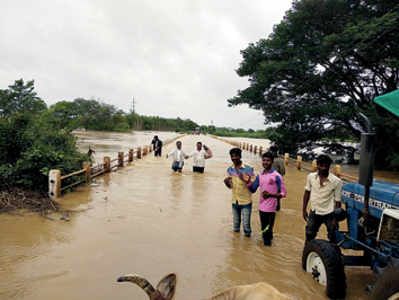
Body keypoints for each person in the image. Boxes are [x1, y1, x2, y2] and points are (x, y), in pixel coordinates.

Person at [244, 152, 286, 246]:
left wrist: (271, 195)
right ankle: (267, 252)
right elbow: (253, 189)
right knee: (264, 230)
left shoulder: (277, 176)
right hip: (261, 208)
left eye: (268, 160)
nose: (265, 162)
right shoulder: (260, 176)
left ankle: (267, 251)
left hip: (271, 210)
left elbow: (283, 193)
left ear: (272, 161)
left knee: (267, 231)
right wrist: (248, 182)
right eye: (264, 160)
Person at [303, 154, 342, 243]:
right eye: (321, 165)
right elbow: (307, 192)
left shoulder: (337, 181)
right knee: (309, 233)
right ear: (317, 165)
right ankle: (307, 251)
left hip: (329, 213)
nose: (324, 168)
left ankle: (334, 253)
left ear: (329, 166)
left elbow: (338, 201)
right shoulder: (311, 177)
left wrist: (335, 219)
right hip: (314, 210)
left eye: (326, 166)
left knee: (333, 235)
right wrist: (304, 209)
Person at [224, 148, 255, 237]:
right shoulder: (230, 169)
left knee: (246, 227)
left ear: (240, 156)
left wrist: (246, 180)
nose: (234, 158)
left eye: (236, 156)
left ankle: (247, 243)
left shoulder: (248, 168)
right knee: (236, 227)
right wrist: (226, 182)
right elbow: (230, 187)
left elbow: (253, 187)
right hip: (235, 201)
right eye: (232, 156)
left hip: (246, 201)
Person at [269, 145, 285, 211]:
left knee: (274, 197)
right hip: (274, 181)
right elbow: (283, 172)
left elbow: (282, 171)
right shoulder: (279, 160)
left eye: (272, 151)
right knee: (276, 197)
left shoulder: (269, 160)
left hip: (273, 181)